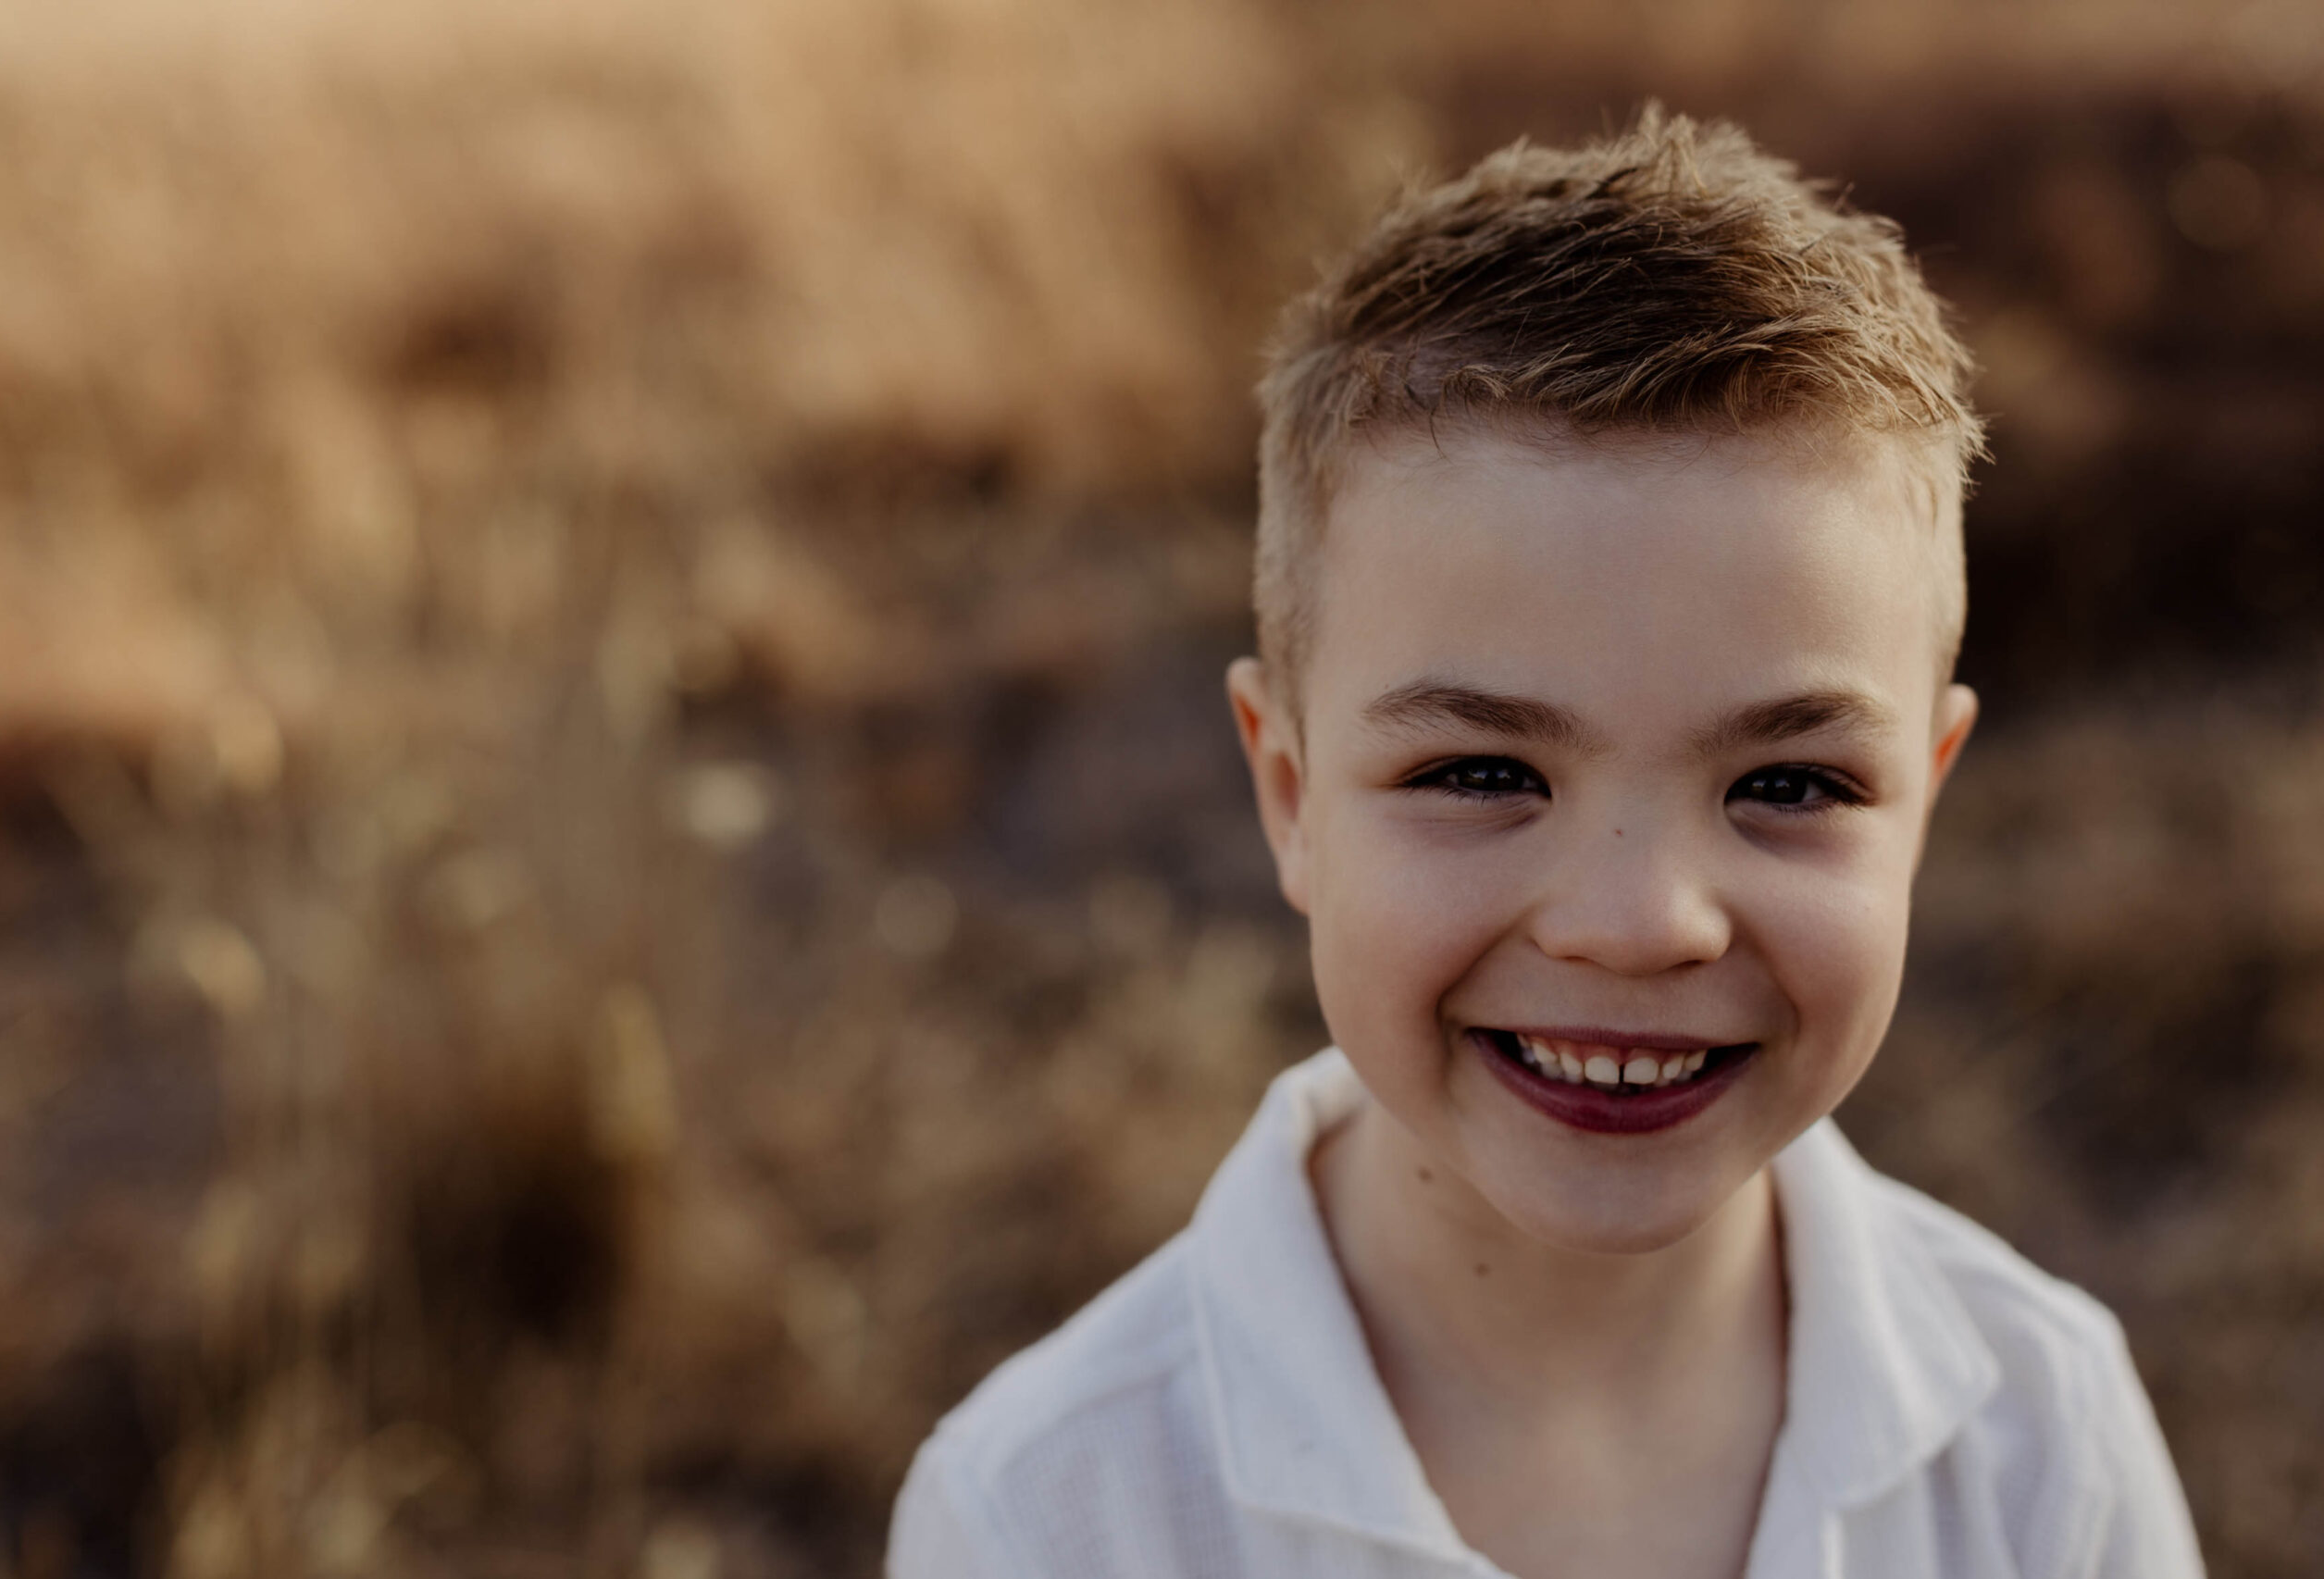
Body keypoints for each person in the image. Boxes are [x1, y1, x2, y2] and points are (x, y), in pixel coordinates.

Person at [886, 106, 2205, 1578]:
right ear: (1290, 794)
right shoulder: (1051, 1515)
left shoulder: (2042, 1448)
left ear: (1926, 802)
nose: (1639, 920)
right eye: (1480, 768)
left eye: (1790, 786)